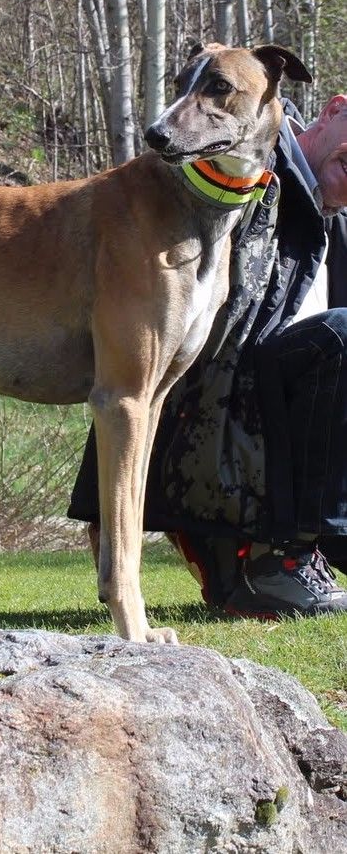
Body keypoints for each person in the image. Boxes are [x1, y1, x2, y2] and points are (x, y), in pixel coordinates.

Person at [68, 93, 347, 618]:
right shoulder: (243, 167)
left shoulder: (335, 223)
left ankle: (301, 549)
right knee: (342, 334)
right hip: (214, 400)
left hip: (285, 413)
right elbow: (158, 320)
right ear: (333, 111)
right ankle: (278, 557)